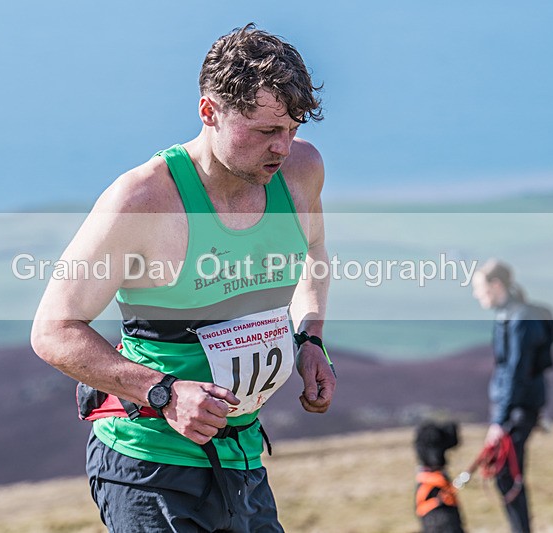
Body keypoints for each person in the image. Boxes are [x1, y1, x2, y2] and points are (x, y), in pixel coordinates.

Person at [31, 24, 335, 532]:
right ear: (209, 112)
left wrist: (310, 337)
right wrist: (164, 392)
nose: (283, 147)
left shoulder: (302, 170)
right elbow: (52, 330)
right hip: (148, 467)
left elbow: (316, 253)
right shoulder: (143, 201)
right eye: (264, 132)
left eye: (292, 126)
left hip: (242, 460)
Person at [471, 259, 553, 533]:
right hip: (515, 407)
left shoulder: (518, 320)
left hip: (517, 409)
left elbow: (516, 372)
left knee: (509, 474)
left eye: (480, 288)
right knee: (506, 474)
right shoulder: (508, 315)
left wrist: (499, 420)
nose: (477, 295)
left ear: (497, 286)